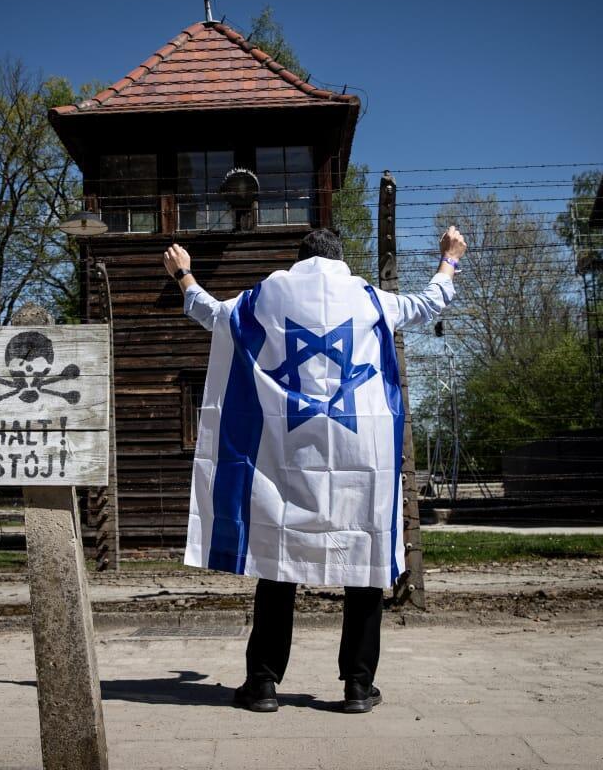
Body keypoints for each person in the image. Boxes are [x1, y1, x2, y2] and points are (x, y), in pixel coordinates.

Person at [163, 225, 466, 714]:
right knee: (365, 560)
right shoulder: (369, 298)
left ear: (298, 258)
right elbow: (429, 302)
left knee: (278, 559)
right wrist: (449, 259)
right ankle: (358, 687)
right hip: (358, 453)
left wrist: (184, 275)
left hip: (287, 451)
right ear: (339, 258)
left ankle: (262, 684)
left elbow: (212, 313)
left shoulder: (265, 295)